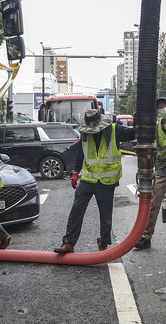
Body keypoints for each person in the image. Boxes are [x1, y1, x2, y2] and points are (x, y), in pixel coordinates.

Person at [54, 109, 136, 254]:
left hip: (107, 181)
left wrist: (138, 125)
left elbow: (133, 134)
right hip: (88, 179)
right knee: (76, 210)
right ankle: (68, 242)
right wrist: (75, 172)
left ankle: (103, 241)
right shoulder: (85, 133)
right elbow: (81, 153)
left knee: (105, 214)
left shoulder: (115, 130)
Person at [136, 96, 166, 250]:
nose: (164, 109)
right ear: (158, 111)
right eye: (160, 107)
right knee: (153, 205)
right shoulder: (156, 127)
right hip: (162, 171)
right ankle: (146, 236)